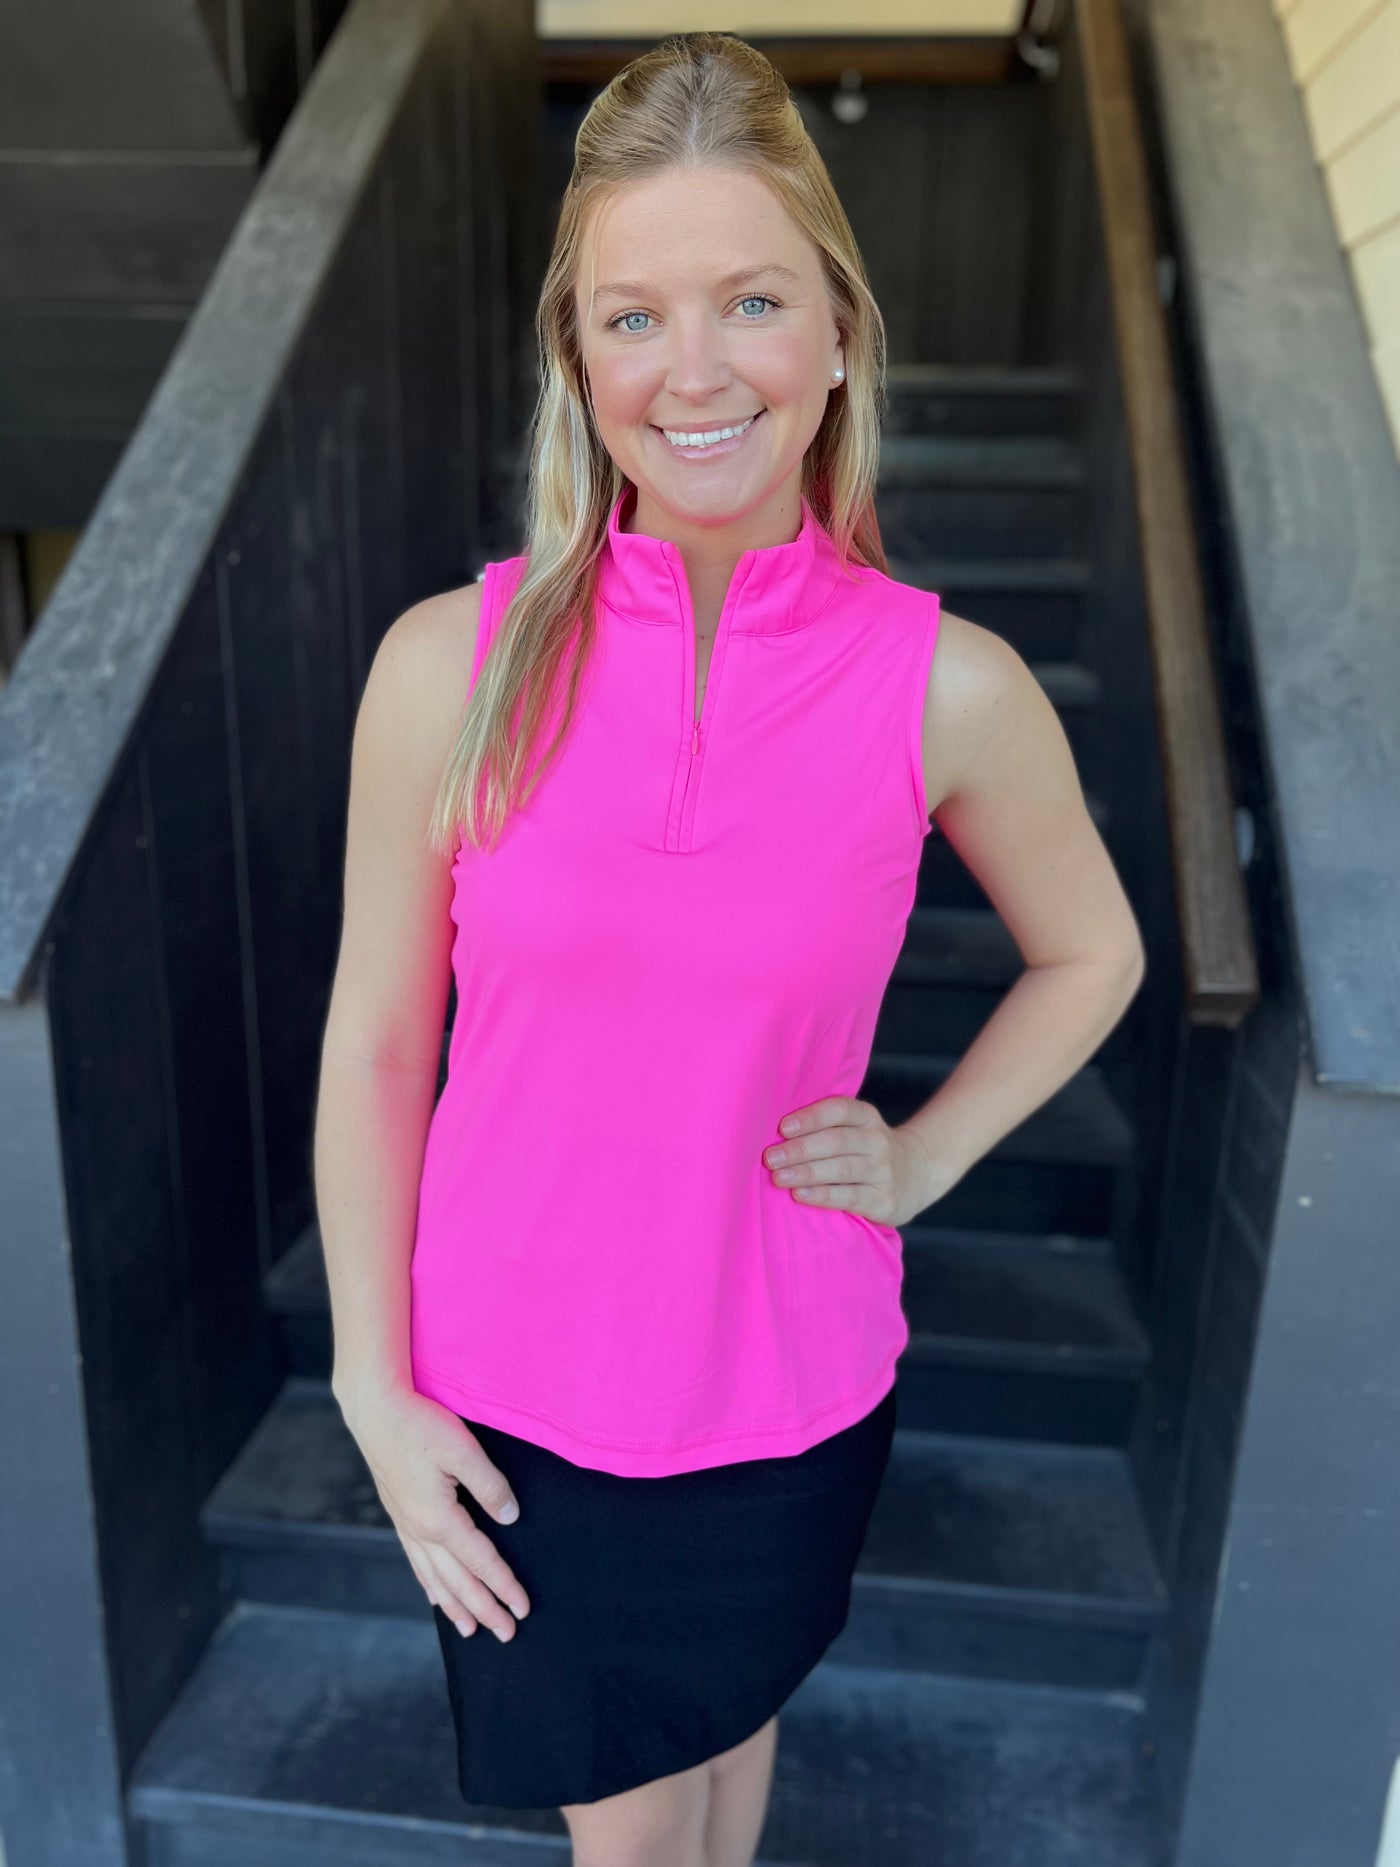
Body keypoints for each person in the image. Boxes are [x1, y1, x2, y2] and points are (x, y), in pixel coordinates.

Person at [312, 30, 1145, 1867]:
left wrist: (921, 1155)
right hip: (520, 1405)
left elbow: (1095, 953)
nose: (692, 373)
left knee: (727, 1752)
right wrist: (375, 1383)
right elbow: (379, 1045)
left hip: (789, 1387)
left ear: (837, 330)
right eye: (633, 317)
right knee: (631, 1828)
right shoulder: (447, 667)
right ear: (575, 354)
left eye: (750, 301)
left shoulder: (950, 688)